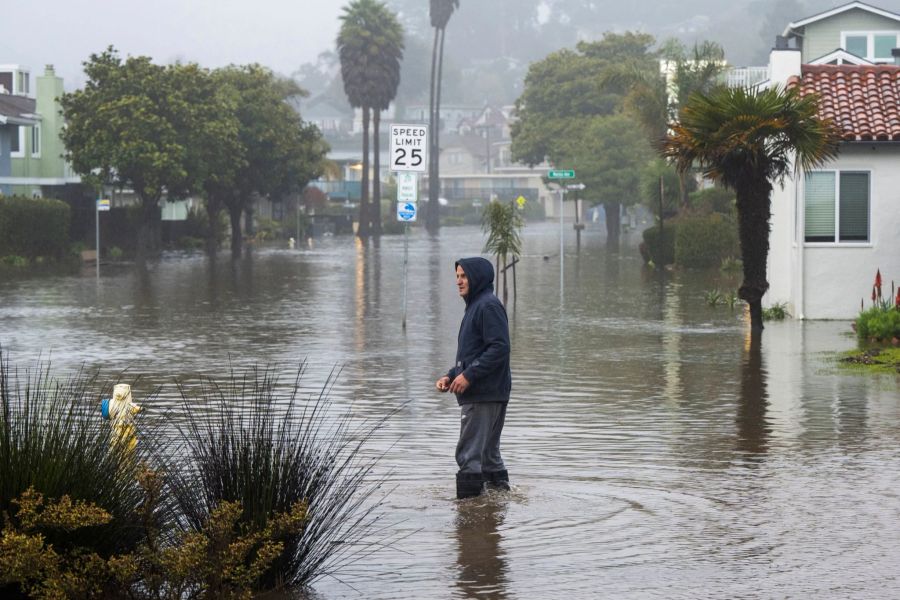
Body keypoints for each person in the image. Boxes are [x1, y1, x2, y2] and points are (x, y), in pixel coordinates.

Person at [436, 257, 512, 499]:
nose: (459, 281)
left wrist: (468, 376)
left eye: (464, 276)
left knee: (469, 456)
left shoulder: (486, 306)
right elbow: (475, 352)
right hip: (489, 392)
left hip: (482, 394)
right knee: (489, 456)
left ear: (477, 278)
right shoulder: (477, 306)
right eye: (457, 276)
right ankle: (496, 509)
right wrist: (451, 375)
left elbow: (500, 348)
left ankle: (469, 521)